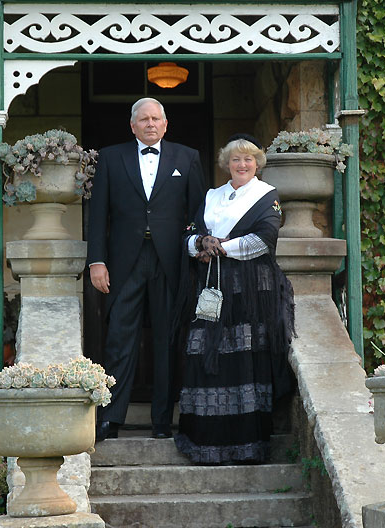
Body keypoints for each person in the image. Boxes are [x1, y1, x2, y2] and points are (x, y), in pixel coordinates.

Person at [87, 97, 205, 441]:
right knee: (119, 340)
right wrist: (97, 261)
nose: (150, 124)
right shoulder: (111, 157)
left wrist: (195, 244)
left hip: (171, 261)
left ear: (165, 125)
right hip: (125, 261)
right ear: (133, 125)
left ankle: (161, 421)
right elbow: (98, 216)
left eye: (156, 119)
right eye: (144, 119)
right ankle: (111, 419)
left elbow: (199, 209)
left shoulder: (187, 157)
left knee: (167, 342)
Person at [174, 134, 295, 464]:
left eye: (248, 159)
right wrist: (201, 242)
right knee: (205, 356)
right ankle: (204, 443)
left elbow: (265, 238)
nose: (242, 165)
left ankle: (245, 446)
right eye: (235, 160)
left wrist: (221, 247)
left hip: (250, 290)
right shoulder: (213, 196)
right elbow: (188, 235)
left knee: (243, 362)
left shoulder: (265, 196)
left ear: (258, 164)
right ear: (226, 164)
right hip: (211, 287)